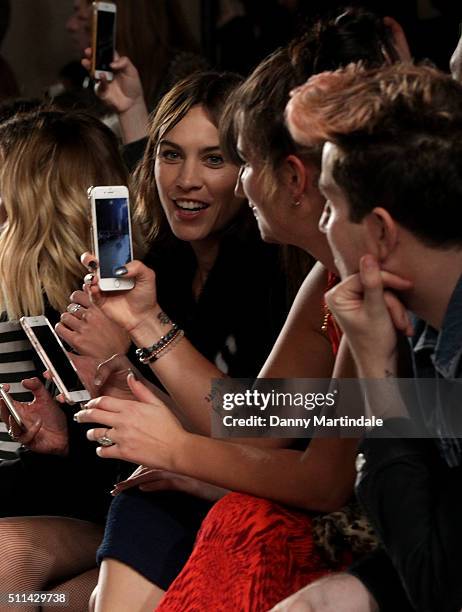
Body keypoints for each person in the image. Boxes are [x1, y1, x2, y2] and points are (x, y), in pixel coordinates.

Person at [68, 7, 411, 610]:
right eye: (169, 156)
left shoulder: (360, 279)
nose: (234, 182)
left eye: (238, 161)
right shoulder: (326, 280)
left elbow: (328, 479)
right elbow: (258, 418)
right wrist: (145, 322)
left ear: (297, 177)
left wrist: (177, 451)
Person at [272, 62, 462, 611]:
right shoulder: (406, 303)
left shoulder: (322, 286)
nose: (314, 212)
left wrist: (156, 343)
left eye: (232, 158)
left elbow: (259, 418)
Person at [0, 109, 133, 610]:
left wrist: (126, 364)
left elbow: (233, 427)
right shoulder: (52, 301)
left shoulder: (130, 295)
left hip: (140, 510)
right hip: (96, 504)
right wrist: (59, 439)